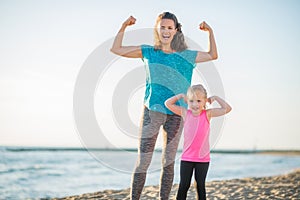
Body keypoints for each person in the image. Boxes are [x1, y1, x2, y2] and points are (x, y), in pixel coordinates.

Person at [110, 11, 218, 200]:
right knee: (143, 161)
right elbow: (116, 49)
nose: (166, 31)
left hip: (176, 114)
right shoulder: (148, 52)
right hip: (151, 112)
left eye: (170, 27)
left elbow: (212, 55)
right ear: (157, 29)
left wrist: (209, 32)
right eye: (162, 27)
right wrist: (124, 26)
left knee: (168, 163)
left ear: (176, 30)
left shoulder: (187, 56)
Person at [165, 84, 232, 200]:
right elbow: (168, 104)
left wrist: (215, 97)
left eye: (199, 101)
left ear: (205, 101)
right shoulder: (186, 113)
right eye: (191, 101)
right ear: (187, 102)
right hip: (187, 158)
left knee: (200, 185)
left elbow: (227, 109)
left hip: (203, 158)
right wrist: (181, 96)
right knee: (184, 185)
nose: (195, 104)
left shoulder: (208, 114)